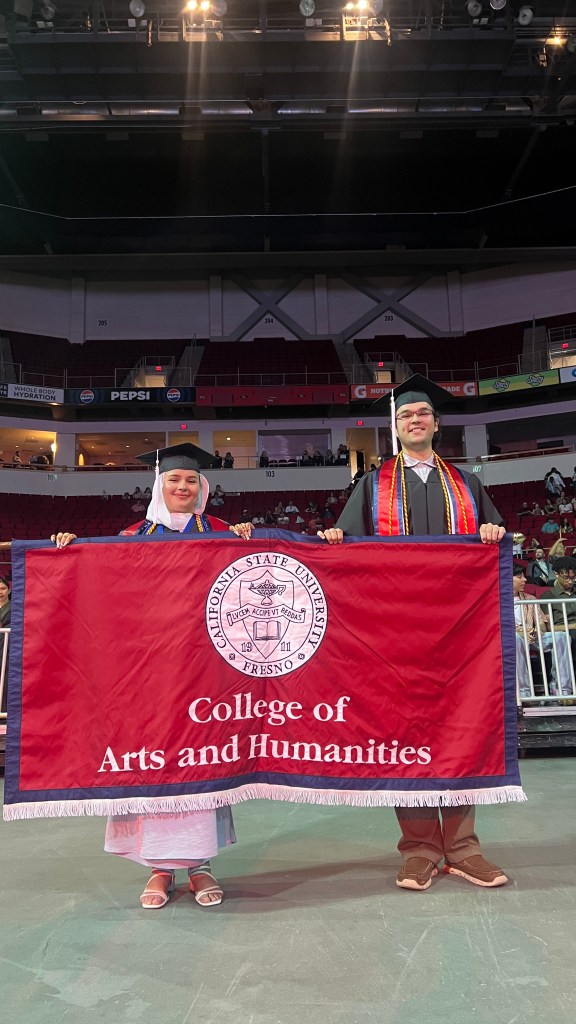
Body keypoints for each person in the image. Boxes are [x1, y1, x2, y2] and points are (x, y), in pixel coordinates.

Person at [319, 374, 508, 891]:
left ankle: (464, 848)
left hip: (460, 635)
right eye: (405, 415)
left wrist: (491, 531)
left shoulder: (467, 483)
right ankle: (420, 848)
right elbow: (347, 554)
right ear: (394, 427)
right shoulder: (372, 485)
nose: (415, 420)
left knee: (462, 729)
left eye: (422, 413)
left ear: (436, 423)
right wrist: (336, 537)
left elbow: (493, 539)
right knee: (405, 735)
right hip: (395, 634)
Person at [50, 443, 253, 911]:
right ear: (159, 486)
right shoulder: (130, 535)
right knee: (153, 760)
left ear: (203, 488)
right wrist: (69, 550)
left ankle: (199, 865)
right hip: (146, 673)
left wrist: (249, 540)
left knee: (202, 759)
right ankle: (159, 867)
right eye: (173, 481)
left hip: (204, 670)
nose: (182, 487)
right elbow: (105, 589)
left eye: (190, 482)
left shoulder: (223, 532)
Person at [0, 576, 10, 715]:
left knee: (6, 677)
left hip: (6, 647)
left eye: (2, 588)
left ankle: (4, 712)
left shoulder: (16, 607)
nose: (0, 592)